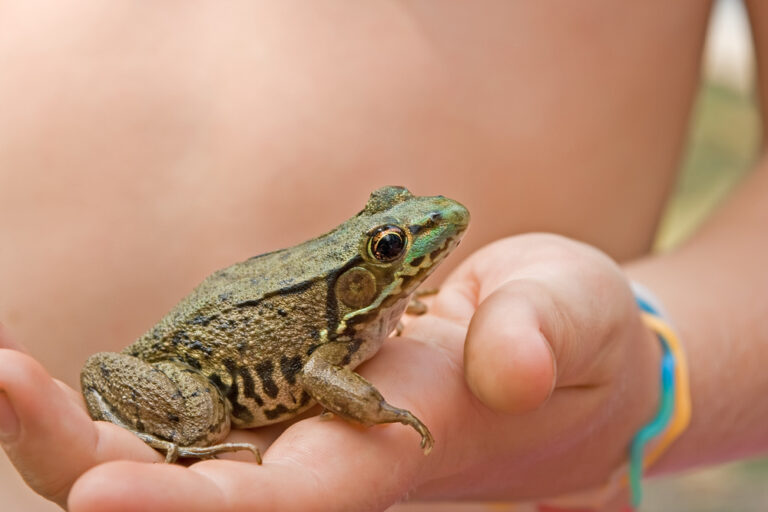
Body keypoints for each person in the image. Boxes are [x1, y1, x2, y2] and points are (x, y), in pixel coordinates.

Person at [0, 2, 766, 511]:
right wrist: (377, 408)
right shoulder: (341, 328)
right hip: (170, 395)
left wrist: (649, 378)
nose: (425, 236)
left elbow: (315, 371)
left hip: (505, 491)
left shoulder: (374, 307)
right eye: (393, 245)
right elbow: (318, 374)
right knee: (198, 412)